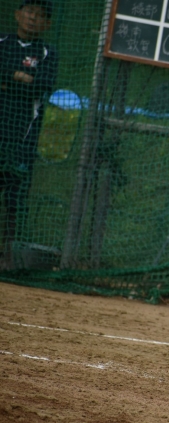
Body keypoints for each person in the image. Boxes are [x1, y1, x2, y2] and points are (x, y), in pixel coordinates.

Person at [0, 0, 58, 255]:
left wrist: (7, 79)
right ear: (17, 14)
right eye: (30, 11)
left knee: (16, 195)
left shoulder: (47, 53)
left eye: (40, 15)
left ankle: (8, 254)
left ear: (47, 24)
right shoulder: (2, 42)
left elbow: (42, 85)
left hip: (23, 136)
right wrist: (19, 76)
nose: (33, 18)